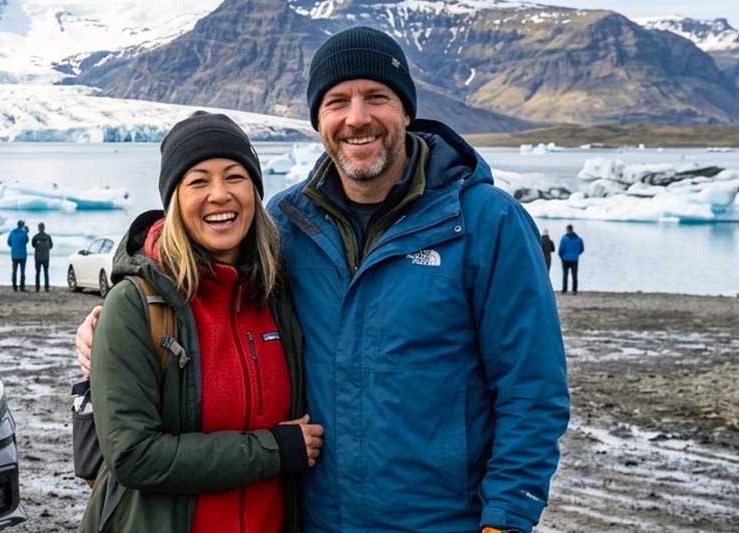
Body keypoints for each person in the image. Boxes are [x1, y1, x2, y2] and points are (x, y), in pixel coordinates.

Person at [77, 28, 569, 533]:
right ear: (318, 120)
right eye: (338, 101)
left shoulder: (485, 222)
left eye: (376, 97)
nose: (357, 118)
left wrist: (506, 519)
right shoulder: (288, 225)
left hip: (440, 521)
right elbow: (196, 275)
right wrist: (111, 319)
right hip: (318, 521)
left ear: (405, 111)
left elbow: (532, 388)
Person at [78, 111, 323, 533]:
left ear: (254, 191)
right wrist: (273, 450)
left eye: (234, 177)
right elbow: (132, 455)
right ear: (174, 199)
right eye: (198, 181)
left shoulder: (279, 294)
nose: (219, 195)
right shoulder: (136, 305)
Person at [558, 224, 584, 294]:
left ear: (568, 229)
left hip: (565, 259)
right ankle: (574, 290)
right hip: (574, 259)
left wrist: (561, 256)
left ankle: (564, 290)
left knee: (565, 275)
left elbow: (561, 249)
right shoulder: (578, 239)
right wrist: (576, 254)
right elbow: (582, 249)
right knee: (574, 275)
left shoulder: (564, 238)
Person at [7, 220, 29, 292]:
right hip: (22, 255)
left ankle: (14, 287)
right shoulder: (23, 233)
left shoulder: (12, 232)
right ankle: (22, 287)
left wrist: (14, 246)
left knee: (14, 271)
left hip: (14, 254)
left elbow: (9, 242)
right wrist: (26, 232)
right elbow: (26, 240)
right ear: (22, 225)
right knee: (22, 271)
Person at [31, 222, 53, 292]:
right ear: (44, 228)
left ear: (39, 228)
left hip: (38, 257)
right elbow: (51, 246)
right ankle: (46, 287)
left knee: (38, 272)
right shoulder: (48, 237)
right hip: (46, 256)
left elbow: (33, 245)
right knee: (45, 272)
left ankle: (37, 288)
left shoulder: (35, 237)